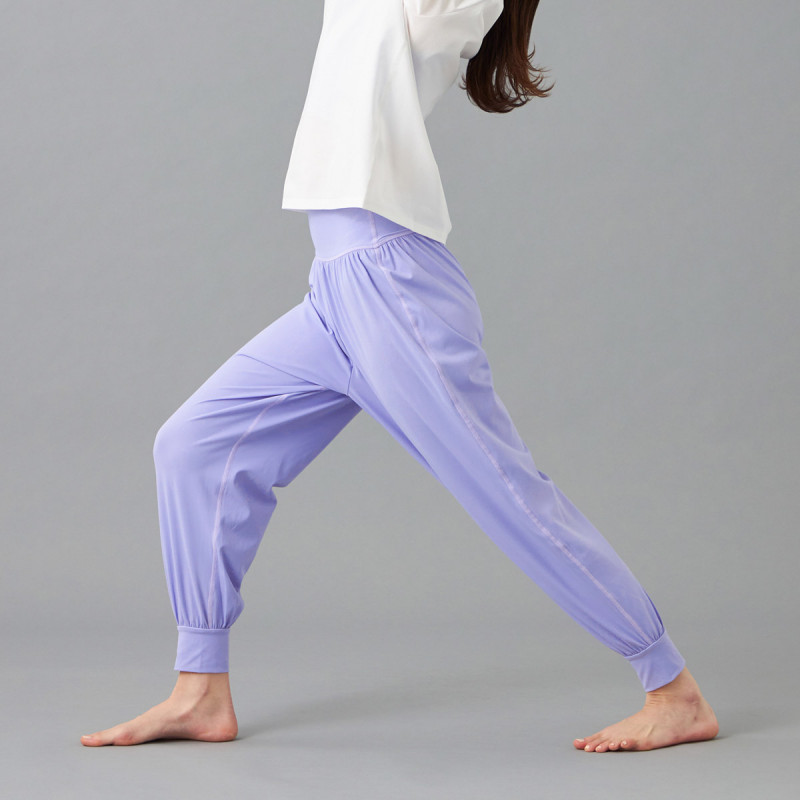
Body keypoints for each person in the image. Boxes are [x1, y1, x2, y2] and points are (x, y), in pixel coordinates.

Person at [81, 0, 718, 752]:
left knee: (506, 493)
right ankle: (200, 692)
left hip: (394, 286)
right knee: (193, 445)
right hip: (335, 288)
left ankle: (672, 689)